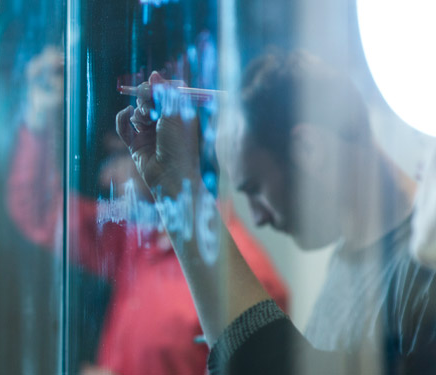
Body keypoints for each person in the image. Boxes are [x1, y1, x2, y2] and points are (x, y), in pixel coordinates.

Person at [116, 50, 436, 374]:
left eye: (255, 189)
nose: (258, 218)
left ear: (310, 149)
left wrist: (177, 183)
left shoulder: (424, 274)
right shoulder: (350, 260)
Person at [7, 47, 289, 375]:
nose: (105, 177)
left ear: (162, 145)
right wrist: (39, 119)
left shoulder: (251, 281)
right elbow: (38, 211)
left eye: (118, 159)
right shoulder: (140, 242)